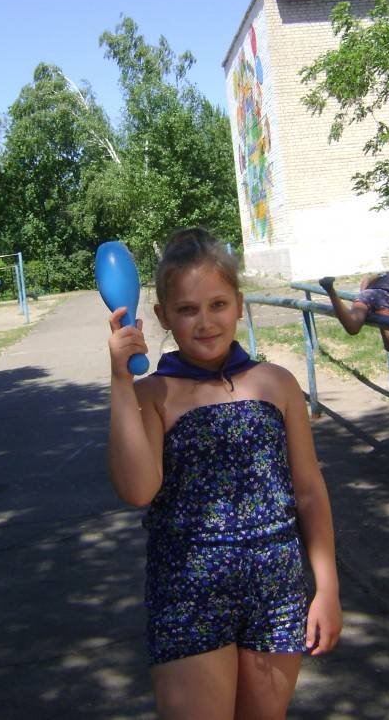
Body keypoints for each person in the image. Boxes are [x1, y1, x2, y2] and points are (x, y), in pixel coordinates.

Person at [106, 228, 342, 719]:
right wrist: (121, 382)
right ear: (163, 317)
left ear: (238, 305)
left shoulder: (277, 383)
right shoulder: (154, 394)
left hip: (276, 588)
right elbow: (137, 489)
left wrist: (327, 588)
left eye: (217, 304)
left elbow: (309, 492)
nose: (205, 321)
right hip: (188, 588)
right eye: (187, 309)